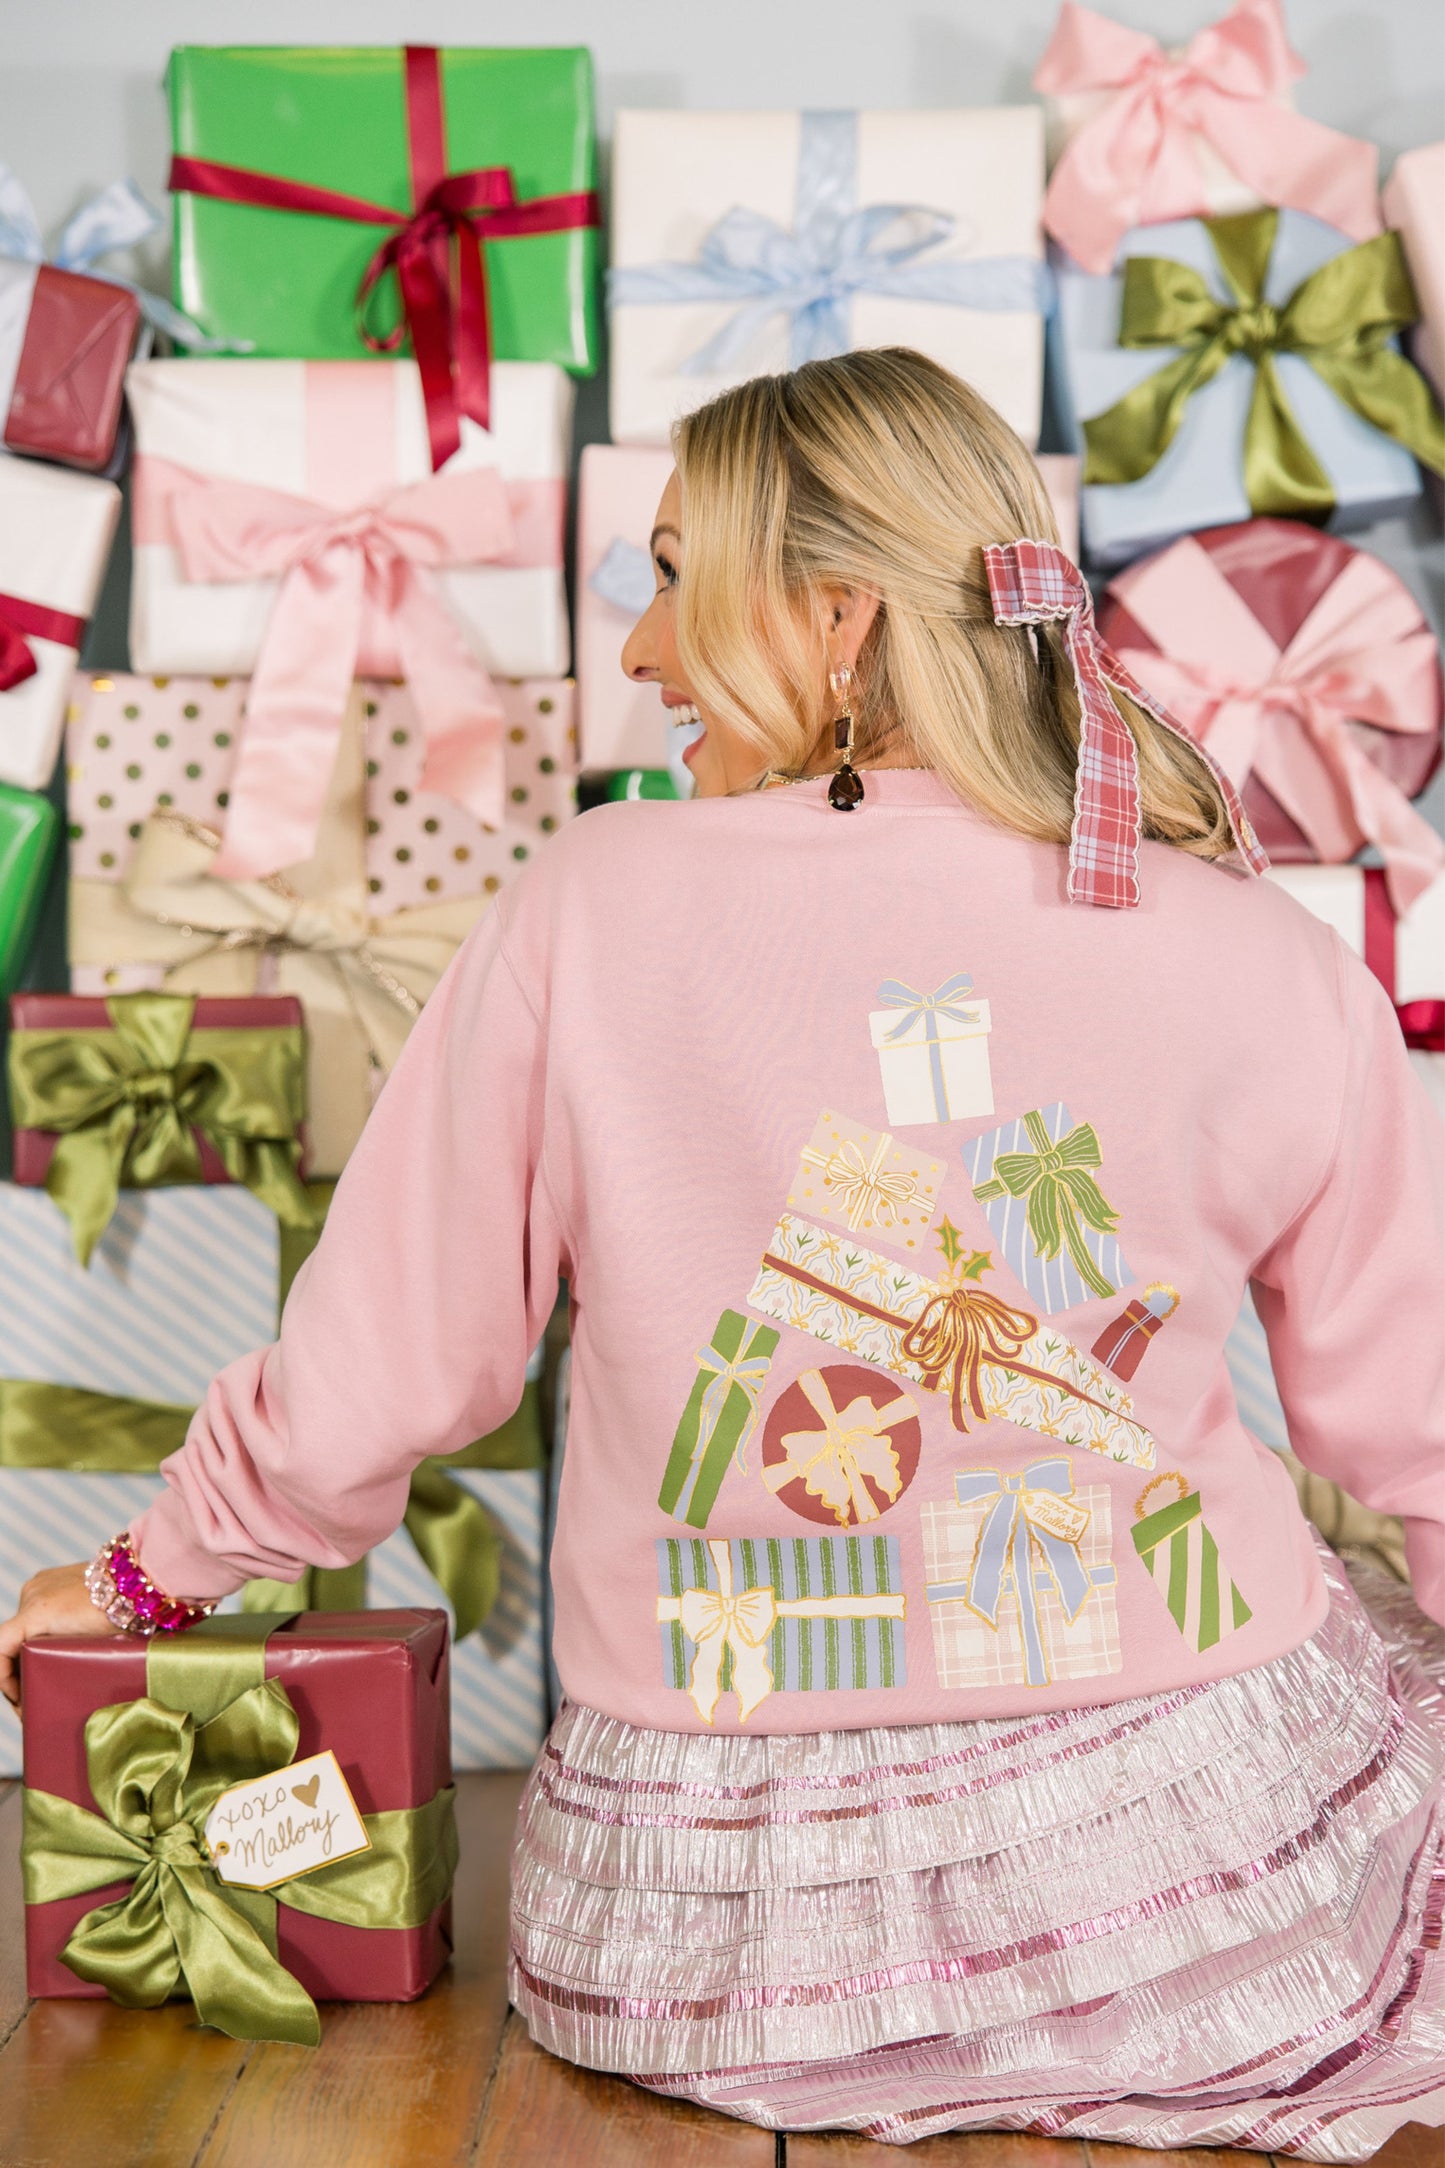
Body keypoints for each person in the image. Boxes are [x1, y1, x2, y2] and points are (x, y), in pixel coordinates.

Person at [3, 349, 1441, 2154]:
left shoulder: (593, 907)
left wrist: (149, 1583)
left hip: (700, 1939)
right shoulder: (1260, 947)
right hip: (1192, 1897)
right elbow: (1419, 1434)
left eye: (677, 575)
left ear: (839, 621)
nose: (640, 649)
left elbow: (390, 1365)